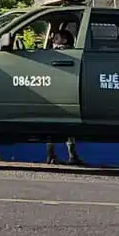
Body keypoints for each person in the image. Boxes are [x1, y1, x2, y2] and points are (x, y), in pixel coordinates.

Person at [42, 26, 85, 166]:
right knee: (64, 127)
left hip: (56, 92)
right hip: (62, 92)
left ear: (65, 40)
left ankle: (53, 155)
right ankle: (66, 155)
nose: (53, 39)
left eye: (57, 37)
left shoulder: (61, 53)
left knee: (55, 127)